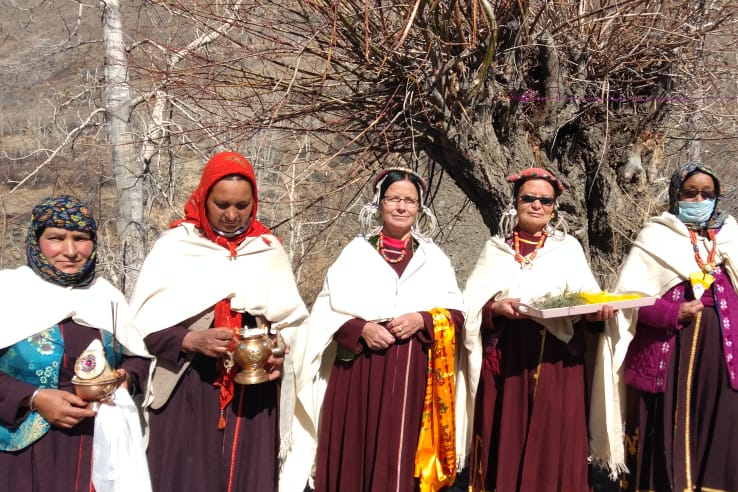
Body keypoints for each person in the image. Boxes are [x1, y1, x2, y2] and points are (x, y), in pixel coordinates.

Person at [128, 151, 309, 492]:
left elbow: (293, 325)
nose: (231, 214)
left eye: (241, 206)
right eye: (222, 204)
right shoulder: (176, 247)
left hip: (253, 397)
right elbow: (138, 329)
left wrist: (278, 353)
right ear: (204, 197)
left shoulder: (267, 250)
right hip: (188, 388)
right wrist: (189, 340)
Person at [284, 167, 465, 492]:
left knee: (404, 456)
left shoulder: (433, 258)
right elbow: (325, 312)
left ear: (419, 208)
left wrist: (423, 320)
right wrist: (361, 328)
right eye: (393, 198)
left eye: (409, 201)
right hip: (361, 373)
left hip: (415, 376)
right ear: (379, 203)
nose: (401, 207)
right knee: (357, 452)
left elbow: (457, 314)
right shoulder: (356, 253)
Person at [460, 167, 615, 492]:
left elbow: (589, 299)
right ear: (515, 202)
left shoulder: (568, 249)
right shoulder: (496, 249)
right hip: (510, 360)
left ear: (554, 207)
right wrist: (495, 308)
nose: (536, 205)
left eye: (545, 200)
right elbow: (470, 306)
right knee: (507, 438)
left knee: (556, 442)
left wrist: (598, 313)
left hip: (559, 363)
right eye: (528, 198)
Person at [590, 162, 738, 491]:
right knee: (669, 437)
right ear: (676, 195)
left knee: (719, 435)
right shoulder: (655, 236)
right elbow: (628, 300)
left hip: (722, 364)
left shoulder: (729, 238)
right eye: (691, 192)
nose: (699, 198)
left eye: (707, 193)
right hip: (671, 361)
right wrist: (672, 313)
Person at [0, 195, 152, 492]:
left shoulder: (107, 296)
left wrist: (126, 379)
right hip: (22, 454)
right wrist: (33, 398)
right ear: (36, 239)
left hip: (99, 447)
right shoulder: (8, 291)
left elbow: (138, 357)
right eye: (56, 238)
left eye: (80, 238)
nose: (70, 251)